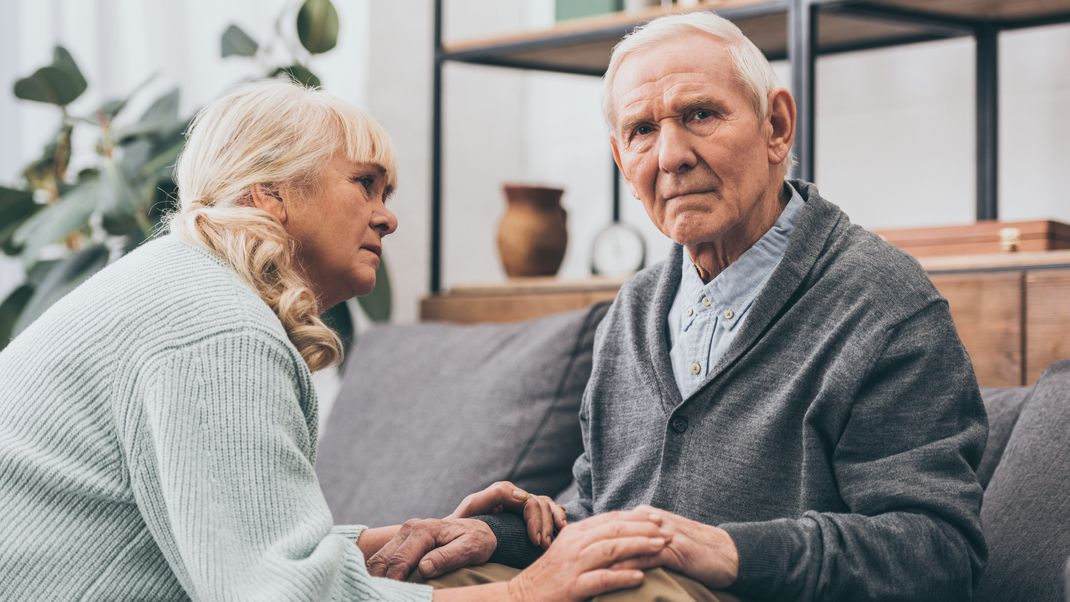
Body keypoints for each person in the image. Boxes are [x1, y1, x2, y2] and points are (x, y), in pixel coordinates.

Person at [375, 12, 988, 601]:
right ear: (621, 159)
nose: (671, 155)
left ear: (776, 126)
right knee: (403, 586)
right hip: (625, 589)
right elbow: (604, 517)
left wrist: (731, 552)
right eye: (642, 130)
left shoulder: (882, 301)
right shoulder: (634, 309)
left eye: (700, 115)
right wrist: (496, 537)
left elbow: (939, 553)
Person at [0, 79, 672, 601]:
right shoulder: (216, 330)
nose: (389, 217)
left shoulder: (179, 290)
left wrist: (398, 536)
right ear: (268, 193)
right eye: (365, 184)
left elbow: (237, 545)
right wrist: (526, 591)